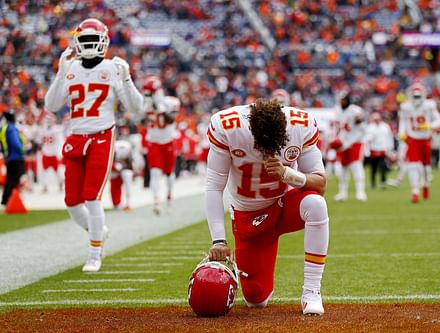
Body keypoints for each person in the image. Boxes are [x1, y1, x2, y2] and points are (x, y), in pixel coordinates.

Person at [205, 99, 329, 315]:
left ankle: (311, 292)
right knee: (256, 299)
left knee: (315, 203)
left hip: (283, 205)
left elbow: (321, 183)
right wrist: (218, 240)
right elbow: (214, 187)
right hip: (249, 217)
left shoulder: (301, 125)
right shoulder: (228, 127)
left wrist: (287, 174)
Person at [44, 18, 143, 272]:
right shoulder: (71, 67)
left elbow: (136, 108)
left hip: (101, 135)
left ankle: (94, 253)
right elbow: (51, 105)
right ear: (77, 41)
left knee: (92, 198)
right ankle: (99, 231)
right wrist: (60, 73)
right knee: (72, 203)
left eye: (92, 40)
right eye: (84, 40)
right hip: (76, 137)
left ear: (103, 41)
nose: (88, 45)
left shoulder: (113, 67)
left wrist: (128, 79)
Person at [143, 76, 180, 214]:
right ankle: (156, 200)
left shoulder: (169, 102)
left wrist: (161, 109)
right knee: (155, 172)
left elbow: (171, 120)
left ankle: (169, 194)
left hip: (168, 141)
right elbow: (139, 117)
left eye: (150, 93)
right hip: (154, 142)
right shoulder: (145, 104)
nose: (148, 96)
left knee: (169, 174)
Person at [398, 83, 440, 203]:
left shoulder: (429, 105)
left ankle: (426, 184)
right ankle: (415, 191)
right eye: (414, 96)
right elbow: (403, 121)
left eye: (418, 96)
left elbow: (439, 120)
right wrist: (402, 133)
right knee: (413, 165)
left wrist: (429, 125)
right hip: (412, 138)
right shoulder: (405, 106)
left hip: (425, 139)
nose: (416, 98)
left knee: (426, 167)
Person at [330, 92, 367, 201]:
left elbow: (362, 129)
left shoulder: (355, 111)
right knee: (343, 169)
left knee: (356, 166)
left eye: (343, 100)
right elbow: (337, 127)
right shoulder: (337, 110)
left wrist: (349, 143)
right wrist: (336, 139)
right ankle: (342, 193)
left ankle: (360, 192)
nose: (342, 102)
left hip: (355, 142)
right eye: (340, 100)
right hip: (343, 142)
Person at [0, 110, 26, 206]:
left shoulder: (4, 129)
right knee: (16, 178)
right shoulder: (11, 129)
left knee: (10, 178)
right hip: (16, 157)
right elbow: (15, 143)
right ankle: (11, 197)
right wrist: (23, 150)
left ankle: (5, 199)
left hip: (8, 157)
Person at [365, 112, 393, 189]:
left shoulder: (385, 127)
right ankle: (373, 184)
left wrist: (390, 149)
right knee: (373, 168)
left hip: (382, 149)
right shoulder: (370, 127)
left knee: (383, 166)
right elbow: (366, 139)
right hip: (373, 150)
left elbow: (389, 138)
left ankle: (383, 182)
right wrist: (367, 150)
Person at [39, 113, 64, 193]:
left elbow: (40, 140)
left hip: (51, 153)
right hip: (49, 153)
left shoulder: (45, 129)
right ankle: (46, 185)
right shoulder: (56, 129)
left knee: (55, 171)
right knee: (46, 171)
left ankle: (58, 183)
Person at [110, 139, 134, 211]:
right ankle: (116, 204)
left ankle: (128, 203)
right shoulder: (113, 149)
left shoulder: (127, 148)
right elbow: (109, 161)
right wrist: (115, 167)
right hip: (114, 168)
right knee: (115, 185)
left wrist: (124, 167)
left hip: (125, 167)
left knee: (128, 183)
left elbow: (130, 163)